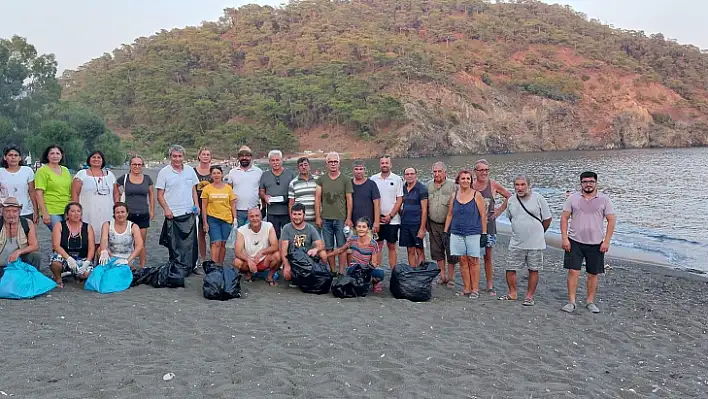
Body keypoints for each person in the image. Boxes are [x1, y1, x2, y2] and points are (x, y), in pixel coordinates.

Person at [561, 171, 616, 314]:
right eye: (585, 182)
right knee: (573, 271)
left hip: (596, 243)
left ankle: (590, 301)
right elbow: (564, 218)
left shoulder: (604, 199)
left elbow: (611, 220)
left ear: (596, 183)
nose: (588, 184)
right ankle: (571, 302)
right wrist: (564, 238)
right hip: (575, 241)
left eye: (591, 181)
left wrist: (607, 241)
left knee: (593, 274)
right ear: (581, 183)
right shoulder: (573, 198)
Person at [498, 175, 551, 306]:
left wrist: (538, 232)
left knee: (533, 269)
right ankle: (512, 293)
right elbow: (511, 218)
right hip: (516, 241)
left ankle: (529, 296)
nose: (520, 188)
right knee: (510, 268)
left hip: (535, 242)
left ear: (529, 186)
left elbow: (547, 219)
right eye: (517, 185)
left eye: (523, 185)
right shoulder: (511, 200)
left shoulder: (539, 198)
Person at [155, 145, 201, 272]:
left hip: (189, 212)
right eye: (174, 156)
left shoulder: (190, 171)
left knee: (191, 242)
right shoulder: (164, 172)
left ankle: (193, 266)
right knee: (174, 243)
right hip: (173, 214)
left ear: (183, 157)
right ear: (170, 157)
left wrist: (196, 205)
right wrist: (166, 209)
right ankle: (175, 265)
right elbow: (159, 195)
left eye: (179, 156)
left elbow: (193, 190)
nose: (177, 159)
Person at [444, 170, 487, 298]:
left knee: (473, 260)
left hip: (473, 232)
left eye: (468, 179)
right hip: (457, 232)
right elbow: (450, 214)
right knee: (462, 260)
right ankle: (467, 288)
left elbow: (483, 215)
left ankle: (475, 289)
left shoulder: (477, 195)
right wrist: (446, 231)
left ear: (471, 181)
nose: (465, 181)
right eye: (463, 178)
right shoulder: (454, 195)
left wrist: (484, 233)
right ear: (458, 180)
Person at [472, 159, 511, 296]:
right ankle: (473, 284)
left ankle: (489, 285)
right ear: (475, 171)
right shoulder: (471, 184)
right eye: (481, 170)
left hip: (489, 225)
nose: (484, 172)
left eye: (486, 170)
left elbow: (509, 197)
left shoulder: (493, 184)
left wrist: (499, 211)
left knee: (488, 256)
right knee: (473, 255)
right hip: (473, 225)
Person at [315, 151, 353, 274]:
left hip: (341, 218)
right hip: (326, 219)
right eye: (330, 162)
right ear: (326, 164)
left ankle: (341, 271)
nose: (333, 164)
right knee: (329, 246)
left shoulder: (346, 180)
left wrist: (348, 218)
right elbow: (317, 199)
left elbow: (349, 200)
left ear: (339, 163)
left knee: (341, 247)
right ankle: (333, 271)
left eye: (335, 161)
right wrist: (318, 217)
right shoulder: (321, 180)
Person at [114, 155, 154, 268]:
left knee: (141, 243)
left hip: (143, 213)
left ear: (142, 165)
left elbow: (151, 195)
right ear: (130, 165)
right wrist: (118, 201)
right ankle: (129, 265)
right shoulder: (125, 178)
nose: (137, 166)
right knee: (127, 242)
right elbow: (115, 187)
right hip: (127, 215)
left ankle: (142, 267)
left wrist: (152, 210)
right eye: (134, 164)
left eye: (139, 164)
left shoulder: (147, 179)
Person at [72, 151, 116, 249]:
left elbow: (116, 194)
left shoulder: (110, 175)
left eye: (99, 157)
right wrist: (75, 211)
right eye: (94, 157)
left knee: (105, 238)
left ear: (103, 160)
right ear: (89, 159)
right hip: (88, 212)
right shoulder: (82, 174)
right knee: (89, 238)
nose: (96, 159)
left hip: (107, 212)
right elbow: (75, 193)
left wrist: (117, 209)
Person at [328, 217, 385, 293]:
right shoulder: (352, 239)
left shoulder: (373, 244)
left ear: (368, 229)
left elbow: (374, 262)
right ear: (356, 228)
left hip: (366, 267)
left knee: (380, 273)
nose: (361, 229)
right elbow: (341, 250)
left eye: (364, 227)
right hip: (354, 267)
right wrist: (327, 255)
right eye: (359, 227)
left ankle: (374, 282)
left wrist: (371, 266)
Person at [426, 161, 458, 288]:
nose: (437, 174)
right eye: (435, 171)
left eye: (439, 171)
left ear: (445, 172)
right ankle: (442, 276)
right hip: (433, 223)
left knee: (451, 252)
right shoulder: (428, 185)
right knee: (437, 251)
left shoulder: (453, 186)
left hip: (450, 225)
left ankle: (451, 278)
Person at [280, 203, 327, 284]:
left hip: (307, 259)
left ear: (304, 215)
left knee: (323, 254)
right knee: (287, 277)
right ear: (291, 215)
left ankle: (322, 272)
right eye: (294, 214)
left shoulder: (310, 228)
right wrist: (287, 266)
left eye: (299, 214)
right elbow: (283, 249)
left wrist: (315, 249)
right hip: (293, 259)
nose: (297, 217)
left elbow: (321, 245)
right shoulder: (286, 228)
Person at [50, 202, 96, 287]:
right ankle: (58, 278)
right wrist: (68, 258)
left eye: (78, 211)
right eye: (73, 211)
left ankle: (77, 275)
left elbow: (91, 247)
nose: (76, 213)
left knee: (86, 274)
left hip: (81, 257)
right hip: (64, 256)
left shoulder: (88, 227)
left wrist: (87, 261)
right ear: (67, 214)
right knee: (56, 263)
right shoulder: (59, 225)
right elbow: (56, 245)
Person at [370, 155, 403, 268]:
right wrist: (376, 217)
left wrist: (391, 215)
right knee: (377, 245)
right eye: (382, 163)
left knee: (392, 246)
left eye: (386, 163)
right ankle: (376, 272)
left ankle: (394, 272)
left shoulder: (397, 179)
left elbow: (399, 199)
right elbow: (371, 199)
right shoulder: (373, 179)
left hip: (392, 220)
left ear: (390, 164)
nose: (384, 165)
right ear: (380, 164)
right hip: (377, 220)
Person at [233, 207, 281, 286]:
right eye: (252, 216)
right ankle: (248, 274)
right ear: (248, 218)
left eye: (257, 216)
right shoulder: (241, 230)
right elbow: (237, 252)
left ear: (261, 217)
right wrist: (248, 260)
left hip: (264, 259)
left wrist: (261, 252)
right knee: (236, 262)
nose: (255, 218)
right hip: (249, 260)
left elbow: (275, 246)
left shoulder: (269, 226)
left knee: (278, 255)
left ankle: (270, 276)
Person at [201, 166, 237, 265]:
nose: (216, 175)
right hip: (213, 219)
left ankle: (220, 265)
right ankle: (214, 266)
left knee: (223, 244)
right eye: (214, 173)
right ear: (211, 175)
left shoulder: (228, 188)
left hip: (227, 219)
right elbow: (204, 207)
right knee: (216, 243)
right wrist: (205, 222)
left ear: (221, 174)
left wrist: (235, 219)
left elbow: (232, 204)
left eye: (218, 173)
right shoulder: (207, 189)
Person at [34, 145, 72, 231]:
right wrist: (44, 213)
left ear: (61, 155)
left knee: (68, 236)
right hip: (51, 210)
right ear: (47, 156)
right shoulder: (42, 171)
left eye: (58, 153)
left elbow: (70, 191)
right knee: (59, 234)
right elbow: (38, 194)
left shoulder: (65, 170)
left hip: (66, 209)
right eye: (52, 153)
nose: (55, 156)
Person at [259, 150, 296, 239]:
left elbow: (296, 191)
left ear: (282, 160)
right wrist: (264, 196)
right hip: (272, 213)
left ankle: (289, 253)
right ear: (269, 162)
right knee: (273, 238)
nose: (275, 163)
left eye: (277, 160)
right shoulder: (265, 175)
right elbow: (261, 191)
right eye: (273, 160)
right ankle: (275, 253)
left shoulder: (290, 174)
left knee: (289, 237)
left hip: (287, 212)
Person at [98, 202, 144, 268]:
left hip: (127, 258)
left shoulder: (134, 226)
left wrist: (127, 261)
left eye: (122, 212)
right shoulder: (107, 225)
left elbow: (139, 246)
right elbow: (104, 239)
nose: (120, 214)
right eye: (117, 212)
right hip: (110, 256)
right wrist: (104, 250)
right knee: (100, 249)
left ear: (127, 213)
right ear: (114, 214)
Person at [0, 146, 38, 223]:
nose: (13, 158)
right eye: (10, 155)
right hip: (5, 212)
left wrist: (36, 210)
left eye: (16, 155)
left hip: (26, 211)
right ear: (5, 157)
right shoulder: (1, 172)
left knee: (27, 234)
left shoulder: (27, 171)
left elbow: (32, 192)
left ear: (20, 158)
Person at [0, 197, 41, 270]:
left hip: (19, 262)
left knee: (35, 256)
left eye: (14, 211)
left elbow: (34, 246)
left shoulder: (27, 223)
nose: (11, 214)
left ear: (19, 212)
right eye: (7, 211)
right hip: (1, 263)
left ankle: (33, 276)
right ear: (2, 212)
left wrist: (18, 252)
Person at [227, 145, 263, 227]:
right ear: (238, 158)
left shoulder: (258, 172)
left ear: (251, 157)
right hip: (237, 211)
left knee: (252, 236)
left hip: (254, 210)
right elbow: (229, 191)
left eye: (247, 156)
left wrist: (262, 208)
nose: (244, 158)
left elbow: (262, 190)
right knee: (239, 236)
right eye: (241, 156)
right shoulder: (232, 172)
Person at [400, 167, 428, 267]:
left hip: (417, 224)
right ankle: (413, 273)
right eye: (407, 174)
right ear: (404, 176)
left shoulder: (422, 188)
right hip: (405, 224)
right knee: (410, 250)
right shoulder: (402, 188)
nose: (410, 176)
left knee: (419, 250)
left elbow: (424, 210)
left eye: (412, 173)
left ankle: (422, 273)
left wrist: (422, 228)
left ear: (416, 174)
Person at [194, 147, 214, 263]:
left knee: (213, 234)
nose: (206, 156)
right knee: (201, 234)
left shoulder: (214, 171)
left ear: (210, 157)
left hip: (212, 206)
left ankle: (213, 258)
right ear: (199, 156)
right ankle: (203, 259)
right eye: (203, 154)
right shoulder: (193, 171)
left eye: (208, 154)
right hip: (198, 206)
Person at [350, 160, 380, 235]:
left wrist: (376, 222)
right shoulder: (349, 184)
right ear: (353, 170)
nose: (358, 171)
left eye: (361, 169)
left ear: (364, 170)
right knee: (353, 246)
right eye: (356, 169)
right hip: (353, 224)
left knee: (367, 246)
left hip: (367, 225)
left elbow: (377, 204)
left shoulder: (371, 184)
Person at [288, 157, 317, 223]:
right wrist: (292, 220)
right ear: (298, 168)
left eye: (305, 165)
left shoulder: (318, 180)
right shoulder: (293, 183)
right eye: (301, 165)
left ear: (309, 166)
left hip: (316, 220)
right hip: (299, 221)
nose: (303, 167)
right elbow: (291, 204)